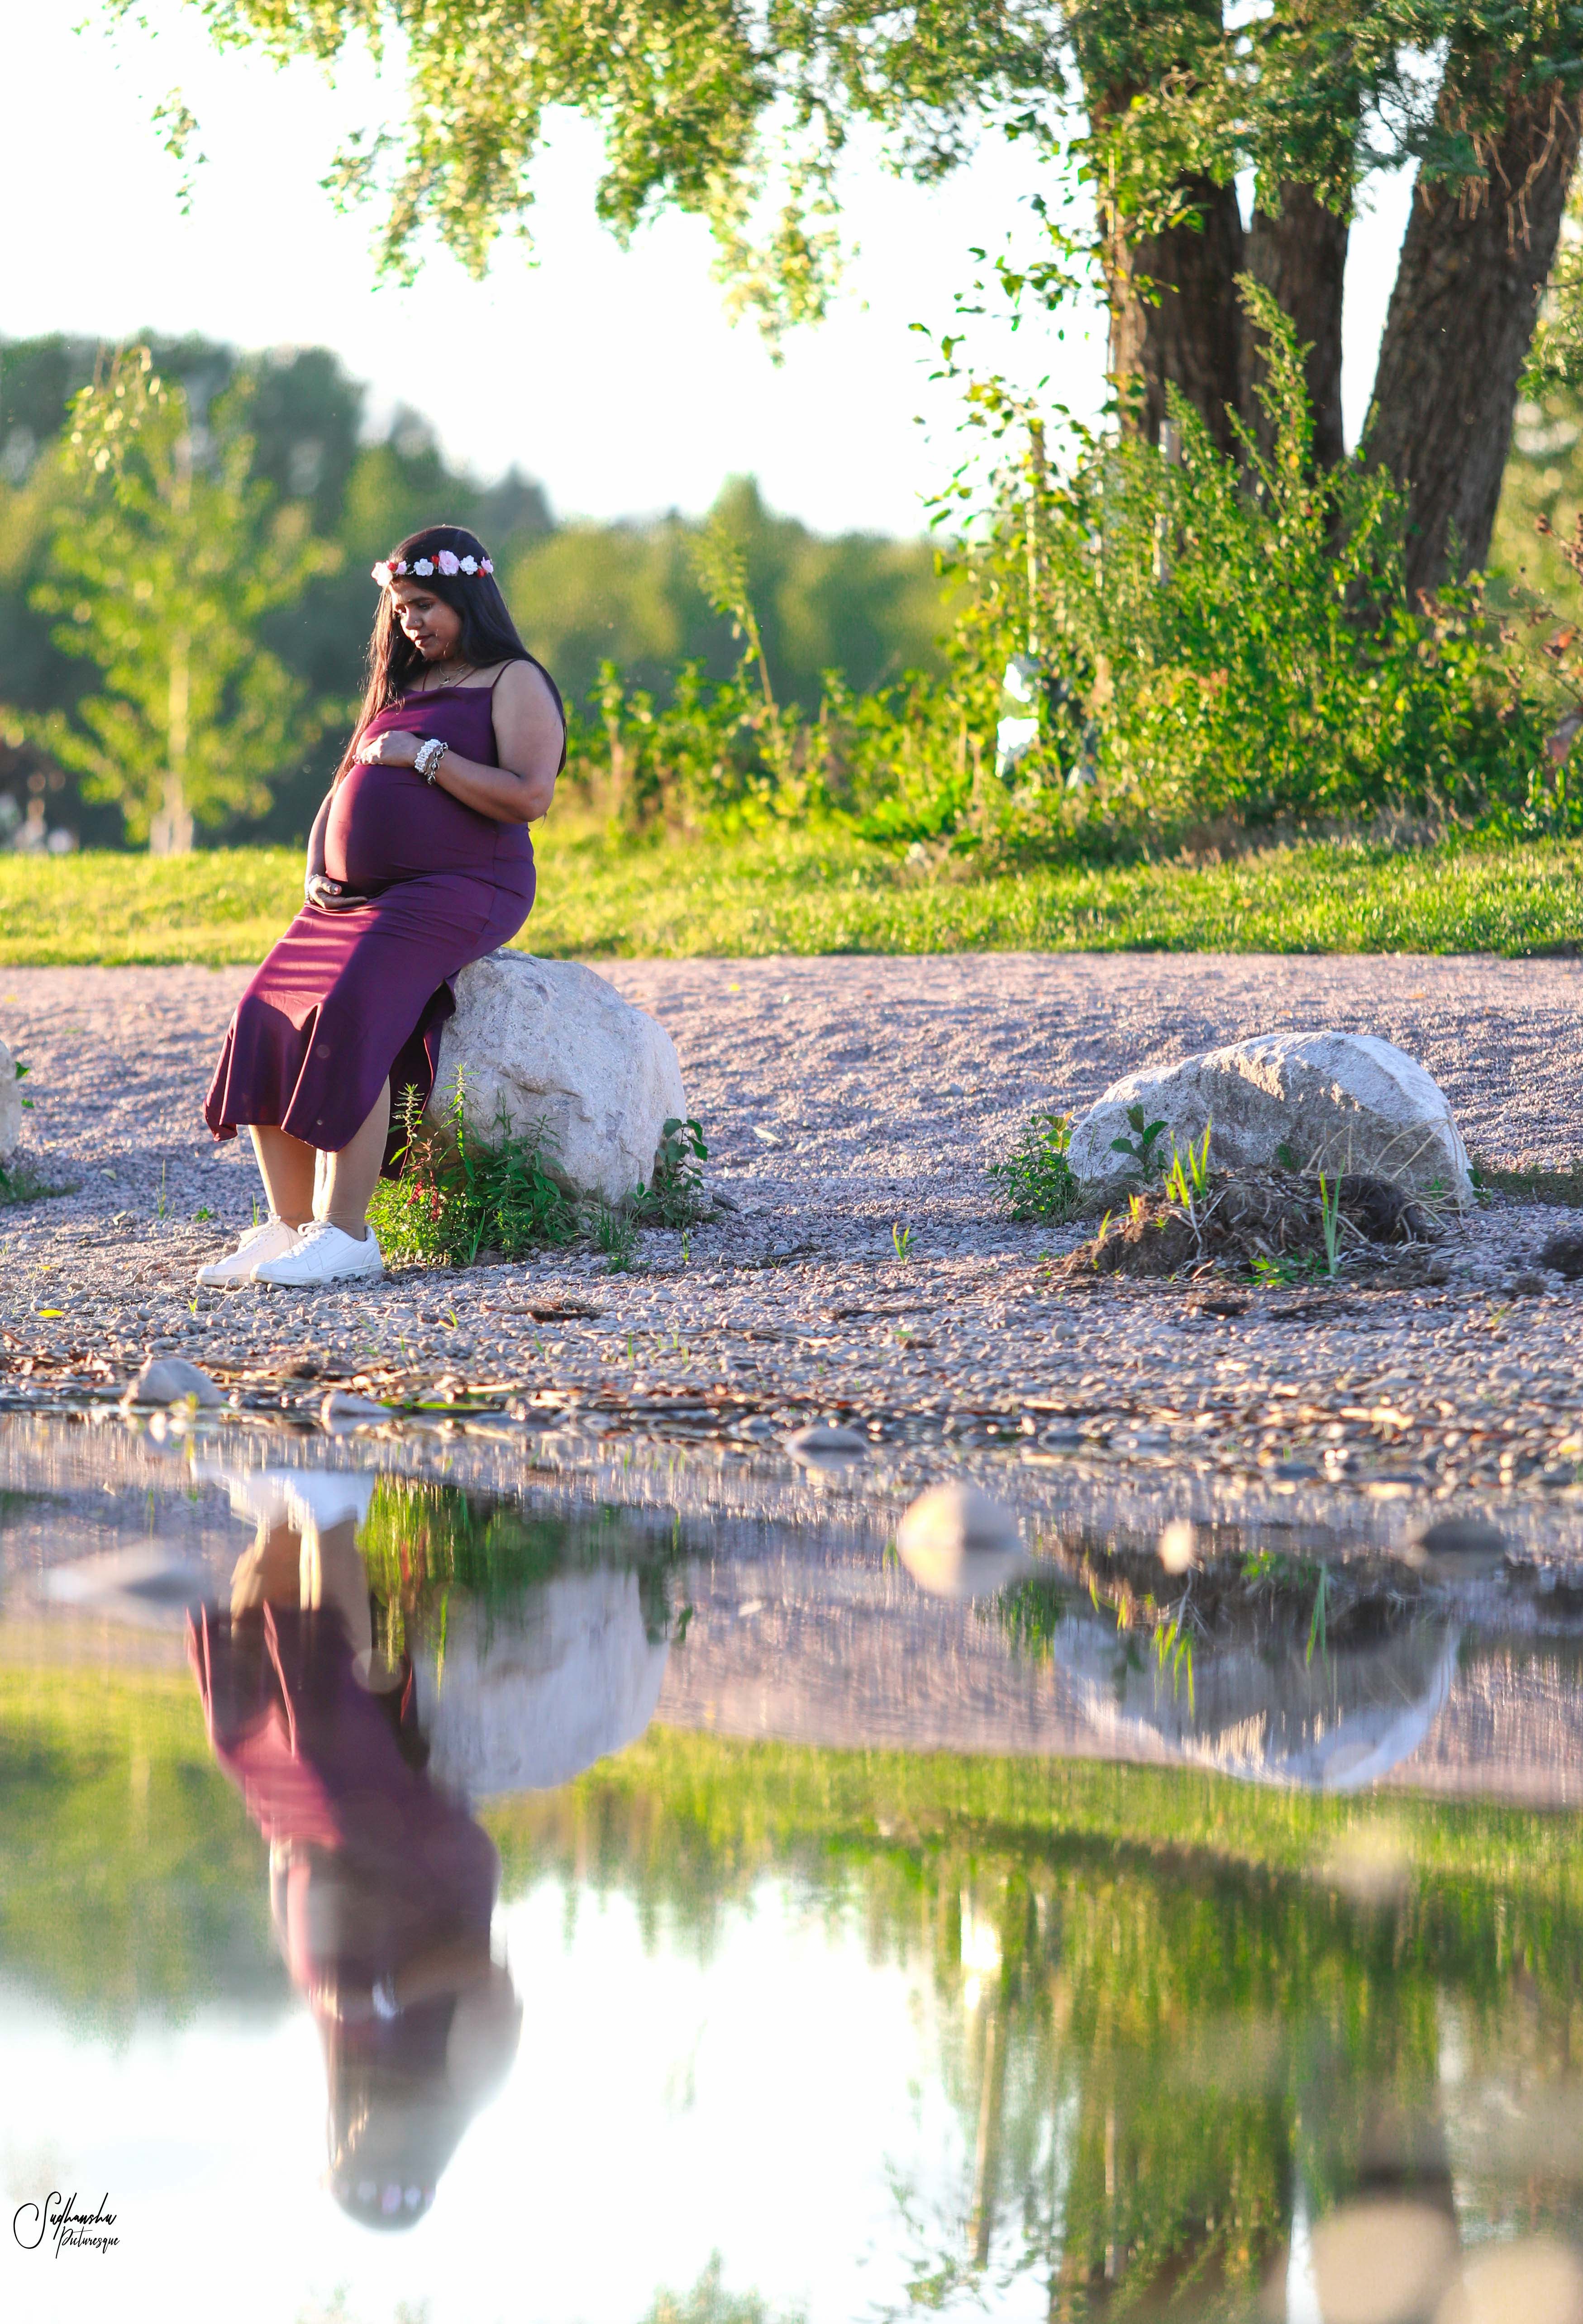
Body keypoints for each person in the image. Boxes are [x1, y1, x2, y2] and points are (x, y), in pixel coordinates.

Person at [200, 525, 565, 1288]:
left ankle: (346, 1233)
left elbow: (530, 795)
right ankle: (290, 1226)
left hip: (463, 885)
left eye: (424, 605)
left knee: (350, 1013)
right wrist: (317, 867)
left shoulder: (512, 679)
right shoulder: (404, 686)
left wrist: (425, 757)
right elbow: (344, 785)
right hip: (353, 900)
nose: (411, 622)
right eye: (400, 609)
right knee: (265, 1009)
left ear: (468, 596)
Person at [188, 1469, 523, 2229]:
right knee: (322, 1726)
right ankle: (334, 1507)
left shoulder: (350, 2068)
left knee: (242, 1727)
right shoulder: (469, 2084)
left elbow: (313, 1963)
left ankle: (277, 1518)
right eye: (372, 2152)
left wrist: (284, 1862)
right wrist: (385, 1995)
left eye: (346, 2148)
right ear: (414, 2156)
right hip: (422, 1866)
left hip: (324, 1850)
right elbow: (486, 1971)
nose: (359, 2135)